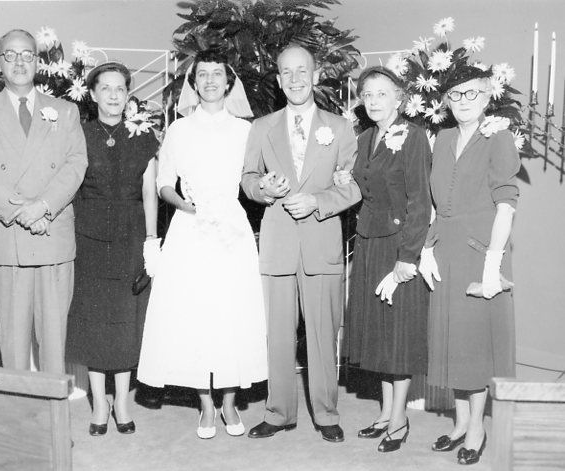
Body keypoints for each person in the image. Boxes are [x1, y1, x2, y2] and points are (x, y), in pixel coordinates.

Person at [137, 49, 267, 439]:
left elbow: (253, 179)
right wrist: (184, 204)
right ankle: (205, 404)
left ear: (229, 83)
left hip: (231, 229)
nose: (210, 80)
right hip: (190, 229)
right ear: (194, 83)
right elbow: (164, 183)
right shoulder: (179, 130)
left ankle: (229, 402)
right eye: (203, 74)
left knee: (231, 312)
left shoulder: (245, 131)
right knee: (194, 313)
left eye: (217, 74)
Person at [241, 44, 361, 443]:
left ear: (316, 76)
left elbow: (353, 186)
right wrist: (263, 187)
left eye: (302, 71)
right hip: (277, 244)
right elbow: (247, 178)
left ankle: (326, 413)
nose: (295, 79)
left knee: (323, 334)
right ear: (278, 80)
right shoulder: (261, 127)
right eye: (287, 73)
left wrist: (318, 202)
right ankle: (278, 413)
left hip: (321, 242)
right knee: (277, 335)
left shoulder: (339, 127)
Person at [0, 29, 87, 375]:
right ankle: (17, 410)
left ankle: (52, 411)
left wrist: (43, 206)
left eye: (27, 54)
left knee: (54, 343)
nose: (19, 62)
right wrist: (23, 211)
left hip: (52, 235)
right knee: (13, 346)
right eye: (11, 55)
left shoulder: (65, 110)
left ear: (38, 61)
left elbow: (76, 164)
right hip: (9, 238)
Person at [418, 66, 520, 465]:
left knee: (474, 346)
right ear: (445, 100)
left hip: (480, 252)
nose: (463, 101)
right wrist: (426, 248)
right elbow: (435, 202)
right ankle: (460, 423)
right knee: (451, 342)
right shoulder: (442, 138)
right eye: (455, 94)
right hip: (444, 250)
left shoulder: (499, 136)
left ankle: (477, 427)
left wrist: (493, 265)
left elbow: (506, 206)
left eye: (472, 93)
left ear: (488, 96)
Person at [338, 66, 431, 452]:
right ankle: (385, 412)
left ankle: (399, 418)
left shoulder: (413, 136)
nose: (374, 101)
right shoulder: (363, 138)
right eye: (367, 94)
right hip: (369, 243)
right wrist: (345, 180)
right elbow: (364, 188)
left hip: (398, 246)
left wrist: (407, 257)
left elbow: (420, 201)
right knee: (379, 333)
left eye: (382, 93)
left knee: (398, 335)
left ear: (399, 97)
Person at [64, 62, 160, 436]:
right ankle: (99, 403)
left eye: (121, 88)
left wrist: (151, 241)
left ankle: (121, 401)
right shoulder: (79, 135)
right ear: (92, 94)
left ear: (128, 94)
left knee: (123, 319)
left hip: (131, 236)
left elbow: (150, 192)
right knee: (93, 320)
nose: (114, 95)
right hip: (88, 237)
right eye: (106, 88)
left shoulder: (143, 135)